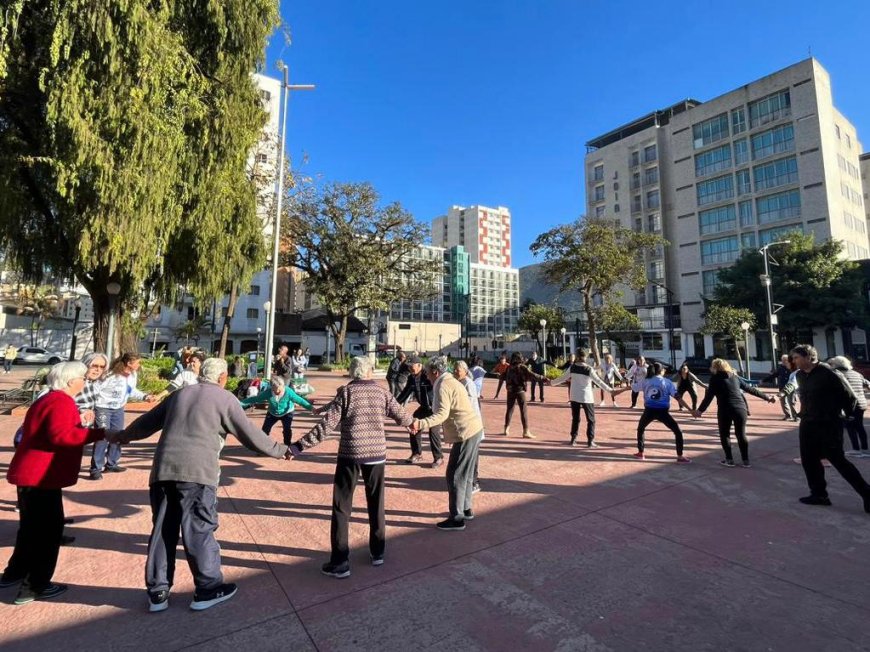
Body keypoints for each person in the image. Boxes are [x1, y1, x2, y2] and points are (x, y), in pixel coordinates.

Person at [115, 358, 291, 611]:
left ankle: (158, 591)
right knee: (198, 527)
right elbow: (249, 435)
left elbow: (147, 422)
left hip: (163, 471)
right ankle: (208, 588)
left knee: (164, 529)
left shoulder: (179, 395)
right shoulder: (225, 399)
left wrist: (123, 436)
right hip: (197, 473)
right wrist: (280, 450)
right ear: (222, 377)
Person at [289, 356, 412, 578]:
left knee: (341, 507)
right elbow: (401, 415)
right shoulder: (381, 391)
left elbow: (326, 426)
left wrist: (299, 446)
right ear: (369, 372)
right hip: (376, 455)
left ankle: (340, 562)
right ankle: (378, 552)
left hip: (351, 454)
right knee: (376, 503)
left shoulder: (347, 392)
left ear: (352, 372)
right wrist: (413, 425)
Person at [1, 362, 106, 605]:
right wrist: (98, 433)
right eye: (82, 378)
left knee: (29, 530)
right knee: (47, 534)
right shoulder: (61, 401)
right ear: (71, 381)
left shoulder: (47, 399)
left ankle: (14, 573)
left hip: (31, 473)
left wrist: (80, 423)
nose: (84, 382)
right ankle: (35, 586)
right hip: (42, 475)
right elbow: (62, 436)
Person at [781, 345, 870, 512]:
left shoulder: (828, 372)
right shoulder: (800, 375)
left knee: (838, 460)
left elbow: (849, 396)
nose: (793, 361)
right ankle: (819, 494)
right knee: (809, 460)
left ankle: (867, 494)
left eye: (796, 358)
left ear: (808, 357)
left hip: (828, 424)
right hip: (808, 423)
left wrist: (846, 415)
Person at [413, 356, 484, 531]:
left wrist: (420, 423)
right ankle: (466, 509)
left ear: (435, 372)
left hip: (465, 432)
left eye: (428, 373)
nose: (426, 376)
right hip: (473, 429)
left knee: (454, 475)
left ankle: (457, 518)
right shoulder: (451, 380)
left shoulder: (443, 385)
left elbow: (442, 414)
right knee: (465, 474)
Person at [694, 359, 775, 467]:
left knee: (724, 434)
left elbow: (708, 397)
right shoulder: (735, 377)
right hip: (740, 409)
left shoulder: (714, 379)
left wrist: (700, 411)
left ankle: (729, 460)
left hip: (725, 409)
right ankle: (746, 461)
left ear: (715, 368)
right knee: (741, 434)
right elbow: (750, 389)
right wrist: (767, 397)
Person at [90, 352, 156, 480]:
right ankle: (95, 469)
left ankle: (111, 463)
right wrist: (91, 407)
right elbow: (95, 389)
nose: (139, 365)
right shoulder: (109, 375)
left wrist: (145, 396)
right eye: (137, 362)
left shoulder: (132, 375)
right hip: (103, 408)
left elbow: (130, 390)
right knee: (101, 437)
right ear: (129, 363)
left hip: (118, 409)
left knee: (118, 436)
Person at [550, 348, 613, 447]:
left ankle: (573, 439)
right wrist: (611, 391)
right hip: (586, 397)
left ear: (577, 356)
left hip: (574, 396)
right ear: (586, 357)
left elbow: (562, 378)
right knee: (591, 420)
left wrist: (551, 382)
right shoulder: (589, 369)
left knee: (575, 418)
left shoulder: (572, 367)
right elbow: (599, 382)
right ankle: (590, 441)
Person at [633, 362, 692, 463]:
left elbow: (633, 387)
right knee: (678, 432)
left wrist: (618, 391)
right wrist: (690, 410)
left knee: (641, 428)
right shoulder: (667, 382)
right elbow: (678, 397)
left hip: (649, 410)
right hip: (663, 412)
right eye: (664, 369)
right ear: (661, 371)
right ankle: (680, 456)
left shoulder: (646, 381)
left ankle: (641, 453)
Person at [396, 356, 444, 468]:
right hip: (423, 407)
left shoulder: (427, 375)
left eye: (412, 366)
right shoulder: (412, 378)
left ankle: (438, 458)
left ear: (419, 365)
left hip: (434, 408)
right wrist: (394, 403)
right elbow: (405, 392)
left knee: (434, 432)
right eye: (409, 366)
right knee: (413, 424)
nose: (410, 369)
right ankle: (416, 453)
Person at [239, 375, 314, 446]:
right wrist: (241, 403)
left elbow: (300, 400)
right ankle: (262, 446)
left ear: (283, 385)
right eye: (275, 390)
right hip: (272, 413)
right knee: (265, 429)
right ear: (271, 387)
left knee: (287, 429)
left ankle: (287, 446)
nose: (277, 392)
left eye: (279, 389)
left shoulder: (288, 392)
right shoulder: (268, 392)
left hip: (287, 412)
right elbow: (255, 399)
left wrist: (311, 408)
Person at [828, 356, 870, 457]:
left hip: (849, 404)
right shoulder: (857, 374)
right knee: (859, 426)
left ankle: (856, 449)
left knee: (850, 426)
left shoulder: (838, 375)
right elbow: (867, 384)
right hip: (861, 403)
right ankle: (865, 448)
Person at [501, 352, 549, 439]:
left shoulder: (509, 367)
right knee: (523, 411)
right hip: (520, 390)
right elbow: (532, 375)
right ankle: (526, 431)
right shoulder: (522, 367)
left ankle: (506, 428)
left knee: (509, 409)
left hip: (510, 390)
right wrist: (543, 378)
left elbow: (503, 376)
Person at [454, 360, 484, 493]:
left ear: (465, 371)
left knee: (473, 454)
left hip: (472, 426)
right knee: (466, 454)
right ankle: (467, 480)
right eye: (454, 369)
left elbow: (469, 406)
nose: (455, 372)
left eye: (458, 370)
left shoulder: (468, 383)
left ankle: (474, 482)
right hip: (465, 426)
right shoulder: (459, 383)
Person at [765, 354, 798, 421]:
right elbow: (774, 375)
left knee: (791, 402)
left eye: (785, 360)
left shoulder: (794, 370)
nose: (783, 362)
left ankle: (796, 416)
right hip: (782, 387)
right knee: (783, 403)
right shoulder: (781, 368)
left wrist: (777, 396)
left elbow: (793, 382)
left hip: (791, 388)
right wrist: (764, 380)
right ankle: (788, 415)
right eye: (782, 360)